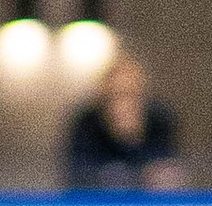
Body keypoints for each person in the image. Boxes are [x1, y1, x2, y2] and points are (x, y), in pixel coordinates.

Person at [65, 49, 185, 191]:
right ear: (104, 94)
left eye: (129, 93)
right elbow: (78, 173)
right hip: (98, 205)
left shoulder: (159, 119)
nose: (123, 102)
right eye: (116, 94)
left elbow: (165, 169)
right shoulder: (86, 122)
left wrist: (132, 137)